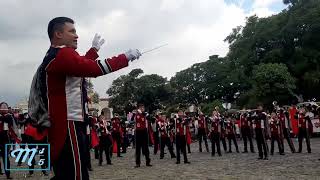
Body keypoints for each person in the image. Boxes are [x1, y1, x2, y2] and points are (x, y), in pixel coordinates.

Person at [28, 17, 142, 180]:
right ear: (58, 34)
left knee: (70, 172)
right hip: (69, 124)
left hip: (68, 123)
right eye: (72, 31)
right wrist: (125, 57)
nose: (76, 36)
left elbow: (79, 64)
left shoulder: (58, 54)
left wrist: (93, 51)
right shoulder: (62, 54)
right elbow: (92, 69)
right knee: (75, 175)